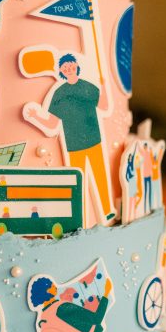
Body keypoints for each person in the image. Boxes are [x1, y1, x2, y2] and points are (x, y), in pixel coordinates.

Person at [23, 54, 117, 222]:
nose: (68, 68)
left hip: (94, 141)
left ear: (76, 66)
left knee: (100, 177)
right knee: (77, 182)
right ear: (61, 70)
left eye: (71, 65)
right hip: (74, 145)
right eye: (64, 67)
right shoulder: (59, 94)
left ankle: (107, 210)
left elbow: (103, 106)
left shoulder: (87, 87)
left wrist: (103, 87)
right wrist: (35, 116)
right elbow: (52, 123)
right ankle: (79, 217)